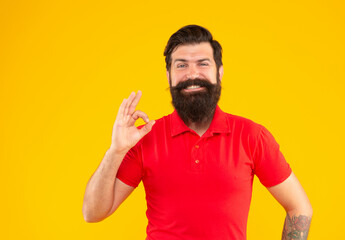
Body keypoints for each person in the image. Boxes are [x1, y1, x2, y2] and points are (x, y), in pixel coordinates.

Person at [82, 25, 313, 240]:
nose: (192, 74)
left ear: (219, 72)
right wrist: (115, 151)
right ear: (168, 75)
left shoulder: (252, 136)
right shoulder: (145, 137)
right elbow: (92, 213)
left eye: (203, 63)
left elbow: (300, 208)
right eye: (181, 65)